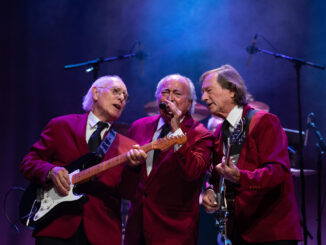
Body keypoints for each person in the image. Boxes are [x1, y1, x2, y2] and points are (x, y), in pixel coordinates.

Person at [20, 75, 136, 245]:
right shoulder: (61, 125)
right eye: (116, 91)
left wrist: (134, 169)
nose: (121, 98)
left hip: (102, 233)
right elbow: (28, 163)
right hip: (56, 228)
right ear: (96, 93)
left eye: (125, 97)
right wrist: (51, 171)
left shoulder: (128, 146)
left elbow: (128, 193)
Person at [200, 65, 303, 245]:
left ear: (231, 91)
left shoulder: (264, 121)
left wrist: (241, 177)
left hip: (270, 234)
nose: (203, 98)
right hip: (238, 232)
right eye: (202, 92)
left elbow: (278, 172)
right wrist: (210, 190)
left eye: (209, 91)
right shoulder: (219, 132)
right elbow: (216, 176)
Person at [122, 74, 214, 245]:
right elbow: (127, 188)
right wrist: (132, 166)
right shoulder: (139, 127)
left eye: (178, 94)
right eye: (165, 92)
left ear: (190, 103)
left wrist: (176, 128)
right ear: (157, 98)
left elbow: (192, 173)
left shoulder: (201, 135)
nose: (170, 98)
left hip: (174, 232)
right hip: (137, 229)